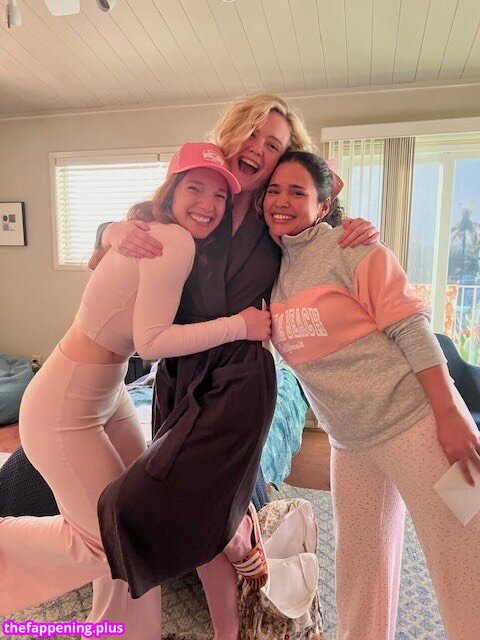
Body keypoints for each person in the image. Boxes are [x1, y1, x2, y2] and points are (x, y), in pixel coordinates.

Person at [94, 94, 379, 640]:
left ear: (281, 159)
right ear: (230, 135)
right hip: (178, 372)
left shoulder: (280, 217)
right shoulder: (200, 196)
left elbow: (331, 227)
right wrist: (108, 233)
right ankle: (231, 607)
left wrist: (361, 231)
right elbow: (134, 221)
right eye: (250, 134)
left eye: (273, 145)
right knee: (206, 523)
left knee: (142, 503)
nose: (257, 149)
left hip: (240, 379)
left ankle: (235, 531)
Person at [0, 142, 273, 640]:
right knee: (104, 541)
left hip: (107, 395)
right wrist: (241, 325)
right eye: (195, 188)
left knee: (135, 528)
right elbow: (152, 343)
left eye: (219, 195)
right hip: (65, 406)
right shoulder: (174, 240)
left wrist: (110, 230)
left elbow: (104, 270)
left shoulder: (159, 231)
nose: (208, 204)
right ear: (171, 190)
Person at [261, 149, 480, 640]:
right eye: (274, 190)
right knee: (360, 572)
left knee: (466, 562)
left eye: (297, 191)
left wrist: (450, 414)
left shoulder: (354, 249)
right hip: (350, 443)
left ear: (322, 205)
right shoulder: (273, 268)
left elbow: (413, 331)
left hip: (417, 426)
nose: (282, 201)